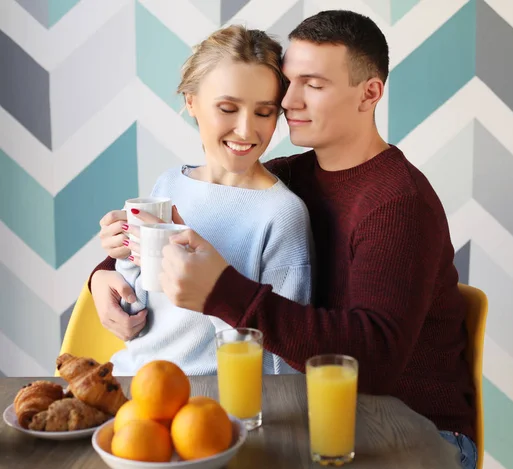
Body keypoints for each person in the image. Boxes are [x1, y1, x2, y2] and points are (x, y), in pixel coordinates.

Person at [90, 10, 477, 468]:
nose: (288, 101)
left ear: (369, 93)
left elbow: (373, 361)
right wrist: (107, 270)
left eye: (312, 84)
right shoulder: (291, 175)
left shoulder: (398, 203)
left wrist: (221, 292)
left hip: (414, 433)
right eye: (288, 83)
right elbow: (217, 223)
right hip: (323, 419)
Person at [99, 25, 313, 377]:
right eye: (227, 108)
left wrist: (214, 289)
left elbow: (282, 361)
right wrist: (122, 265)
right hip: (133, 379)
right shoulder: (169, 183)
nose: (246, 130)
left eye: (264, 112)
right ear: (191, 101)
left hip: (212, 401)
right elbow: (147, 313)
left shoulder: (282, 214)